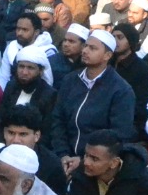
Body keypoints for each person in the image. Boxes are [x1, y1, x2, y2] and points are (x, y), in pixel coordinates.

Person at [48, 28, 136, 167]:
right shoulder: (70, 80)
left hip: (97, 164)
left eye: (92, 48)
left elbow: (119, 136)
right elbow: (58, 119)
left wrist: (84, 160)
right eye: (85, 46)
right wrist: (63, 154)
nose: (85, 51)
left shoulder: (121, 90)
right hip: (63, 158)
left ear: (107, 55)